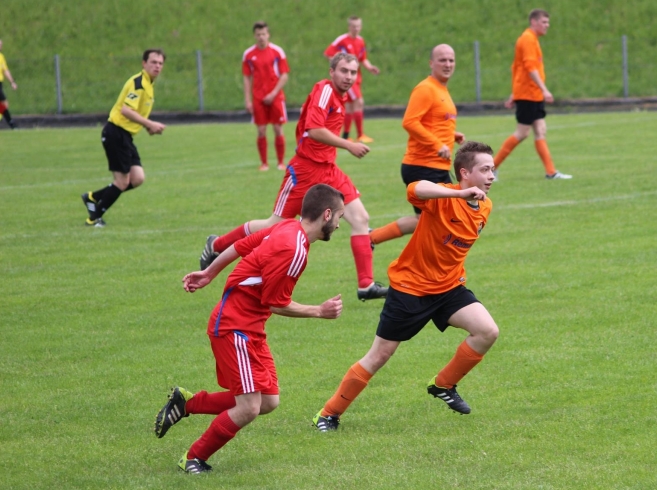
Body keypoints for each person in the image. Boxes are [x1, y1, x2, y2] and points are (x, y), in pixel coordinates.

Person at [154, 184, 346, 474]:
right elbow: (276, 303)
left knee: (268, 400)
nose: (339, 224)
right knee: (248, 407)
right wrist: (319, 311)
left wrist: (209, 272)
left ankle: (188, 403)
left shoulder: (287, 228)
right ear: (326, 214)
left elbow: (241, 244)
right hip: (235, 328)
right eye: (339, 217)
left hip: (250, 327)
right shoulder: (293, 250)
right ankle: (193, 458)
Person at [312, 141, 499, 431]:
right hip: (410, 289)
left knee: (487, 331)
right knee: (380, 356)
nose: (491, 176)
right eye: (485, 169)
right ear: (464, 173)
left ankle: (443, 385)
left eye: (493, 169)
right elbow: (415, 188)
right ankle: (328, 414)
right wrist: (460, 192)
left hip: (449, 288)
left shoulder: (485, 205)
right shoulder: (444, 196)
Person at [199, 53, 388, 301]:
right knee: (273, 226)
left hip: (329, 169)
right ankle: (217, 246)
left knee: (361, 218)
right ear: (332, 72)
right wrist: (348, 144)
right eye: (344, 71)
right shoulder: (324, 90)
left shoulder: (341, 96)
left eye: (353, 72)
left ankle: (366, 285)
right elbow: (314, 129)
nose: (349, 76)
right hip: (305, 170)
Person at [369, 44, 464, 246]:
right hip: (423, 166)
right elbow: (410, 121)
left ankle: (372, 237)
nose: (447, 64)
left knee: (429, 221)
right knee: (441, 222)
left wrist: (451, 135)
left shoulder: (442, 89)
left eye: (451, 60)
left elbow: (433, 121)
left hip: (437, 167)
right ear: (431, 63)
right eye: (442, 60)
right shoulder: (425, 89)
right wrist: (438, 143)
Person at [80, 49, 166, 227]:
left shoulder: (149, 84)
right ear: (144, 63)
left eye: (160, 63)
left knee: (137, 178)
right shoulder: (139, 83)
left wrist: (145, 126)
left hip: (125, 136)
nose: (157, 66)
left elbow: (135, 112)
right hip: (115, 133)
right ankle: (94, 218)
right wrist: (149, 123)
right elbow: (125, 110)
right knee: (122, 181)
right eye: (153, 62)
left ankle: (92, 197)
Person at [492, 9, 571, 180]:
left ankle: (551, 172)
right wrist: (544, 89)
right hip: (528, 94)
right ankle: (492, 167)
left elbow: (516, 68)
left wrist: (515, 93)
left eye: (547, 22)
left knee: (540, 130)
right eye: (544, 22)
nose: (547, 25)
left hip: (532, 94)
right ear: (534, 22)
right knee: (522, 133)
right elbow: (529, 68)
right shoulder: (527, 39)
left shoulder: (532, 39)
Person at [323, 16, 380, 143]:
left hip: (356, 77)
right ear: (349, 27)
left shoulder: (360, 41)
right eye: (354, 26)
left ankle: (346, 135)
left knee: (349, 106)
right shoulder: (342, 40)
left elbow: (362, 58)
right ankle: (360, 135)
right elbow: (328, 54)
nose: (356, 28)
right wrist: (340, 67)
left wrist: (370, 68)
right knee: (359, 102)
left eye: (358, 26)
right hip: (347, 78)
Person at [243, 21, 290, 171]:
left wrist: (273, 93)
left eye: (264, 34)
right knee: (261, 130)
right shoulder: (249, 54)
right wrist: (248, 99)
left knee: (277, 129)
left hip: (275, 96)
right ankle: (264, 164)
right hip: (258, 97)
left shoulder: (277, 52)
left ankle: (280, 163)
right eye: (258, 35)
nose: (261, 37)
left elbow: (284, 75)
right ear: (254, 36)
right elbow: (246, 77)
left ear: (268, 34)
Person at [0, 39, 18, 129]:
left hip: (0, 84)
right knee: (4, 104)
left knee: (3, 105)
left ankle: (11, 123)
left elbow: (5, 70)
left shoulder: (1, 57)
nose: (1, 46)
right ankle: (11, 124)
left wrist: (12, 82)